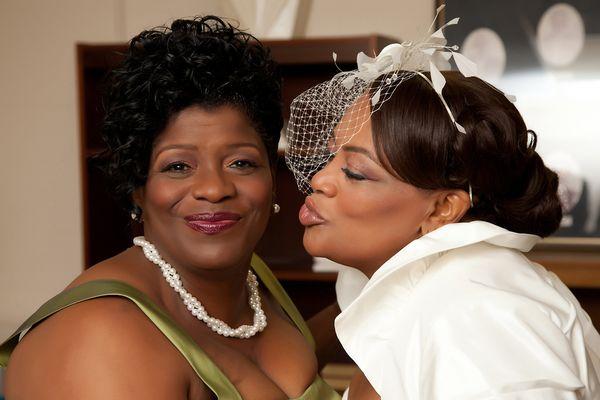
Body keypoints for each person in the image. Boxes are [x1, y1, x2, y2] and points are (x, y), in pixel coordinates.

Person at [0, 16, 340, 400]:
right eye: (178, 166)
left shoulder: (251, 279)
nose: (214, 189)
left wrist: (375, 300)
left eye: (241, 163)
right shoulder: (101, 338)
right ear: (137, 189)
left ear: (271, 177)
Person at [285, 14, 600, 399]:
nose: (318, 179)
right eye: (330, 156)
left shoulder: (477, 314)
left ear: (443, 209)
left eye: (355, 172)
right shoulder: (430, 293)